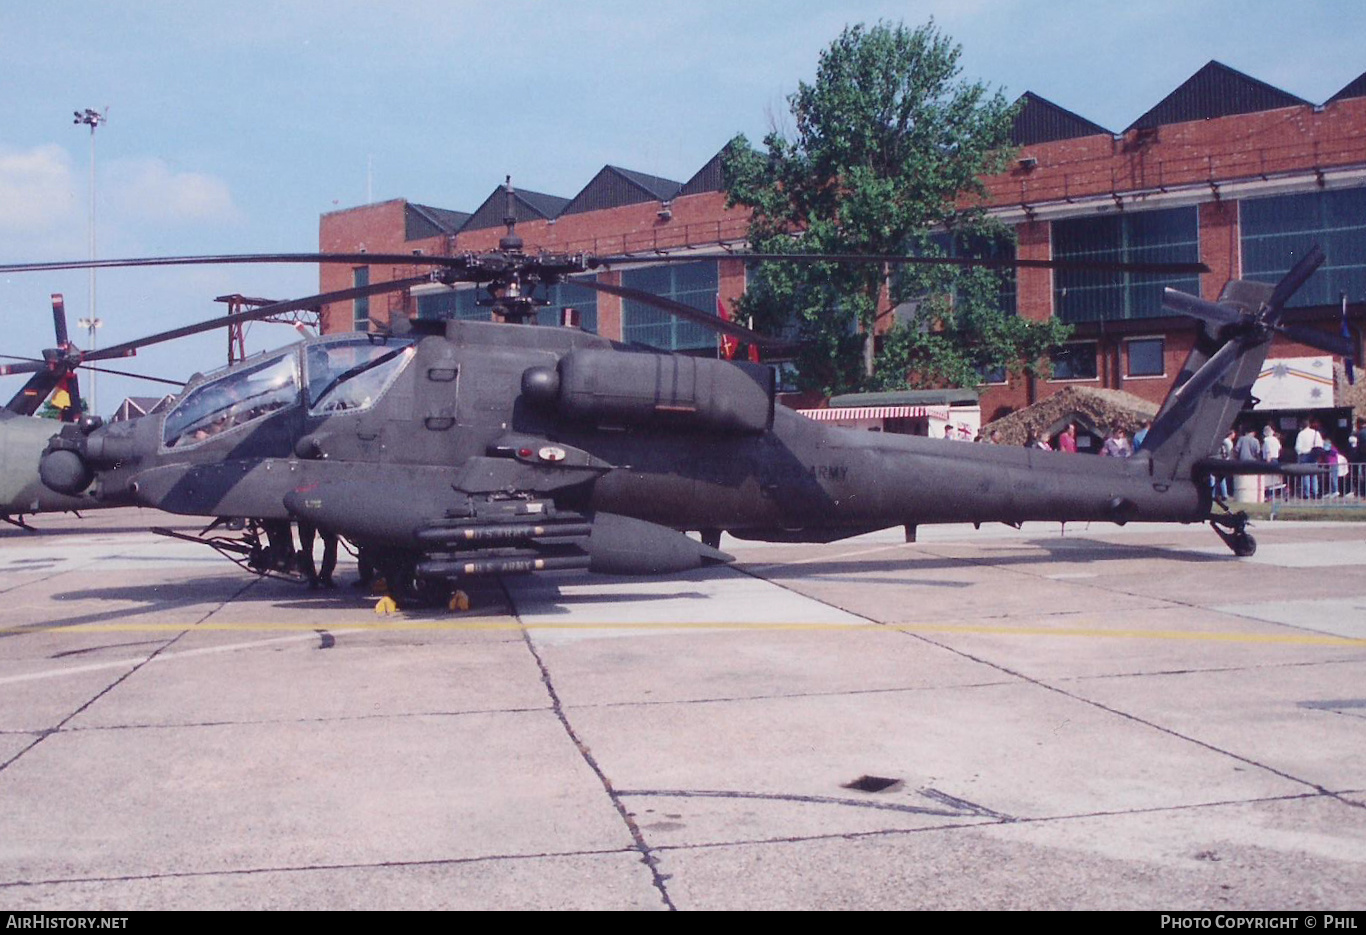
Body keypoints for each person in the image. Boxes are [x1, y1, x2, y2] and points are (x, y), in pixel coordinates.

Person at [297, 518, 339, 588]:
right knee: (330, 542)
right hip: (321, 513)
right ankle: (323, 576)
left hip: (306, 513)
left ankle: (314, 577)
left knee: (307, 547)